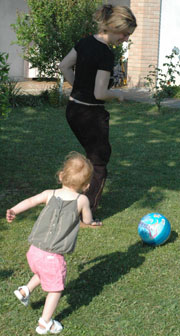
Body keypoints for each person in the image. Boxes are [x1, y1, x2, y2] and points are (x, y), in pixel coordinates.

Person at [6, 152, 101, 335]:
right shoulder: (82, 200)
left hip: (34, 251)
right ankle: (45, 323)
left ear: (61, 176)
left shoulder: (50, 193)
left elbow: (31, 201)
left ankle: (24, 291)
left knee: (43, 272)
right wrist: (88, 217)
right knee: (56, 288)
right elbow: (87, 221)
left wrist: (14, 210)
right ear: (87, 185)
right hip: (52, 256)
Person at [59, 4, 137, 223]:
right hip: (90, 115)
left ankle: (73, 197)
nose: (125, 39)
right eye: (125, 34)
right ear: (113, 27)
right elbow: (101, 93)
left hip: (73, 110)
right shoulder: (105, 53)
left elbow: (64, 66)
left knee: (93, 158)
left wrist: (78, 89)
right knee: (99, 163)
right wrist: (119, 96)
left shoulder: (84, 42)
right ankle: (86, 214)